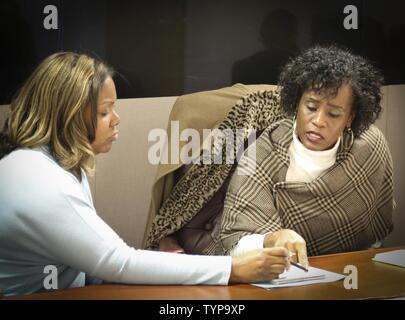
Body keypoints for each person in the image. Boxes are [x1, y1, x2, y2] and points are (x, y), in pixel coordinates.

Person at [0, 52, 290, 297]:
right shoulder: (42, 184)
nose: (116, 120)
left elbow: (96, 258)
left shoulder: (51, 163)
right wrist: (233, 269)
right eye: (104, 112)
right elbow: (116, 261)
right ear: (68, 116)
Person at [220, 46, 395, 266]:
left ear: (350, 118)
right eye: (311, 107)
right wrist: (271, 238)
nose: (319, 121)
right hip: (282, 274)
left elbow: (376, 235)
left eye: (333, 114)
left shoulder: (369, 147)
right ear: (296, 104)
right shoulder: (263, 153)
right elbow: (234, 242)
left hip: (352, 269)